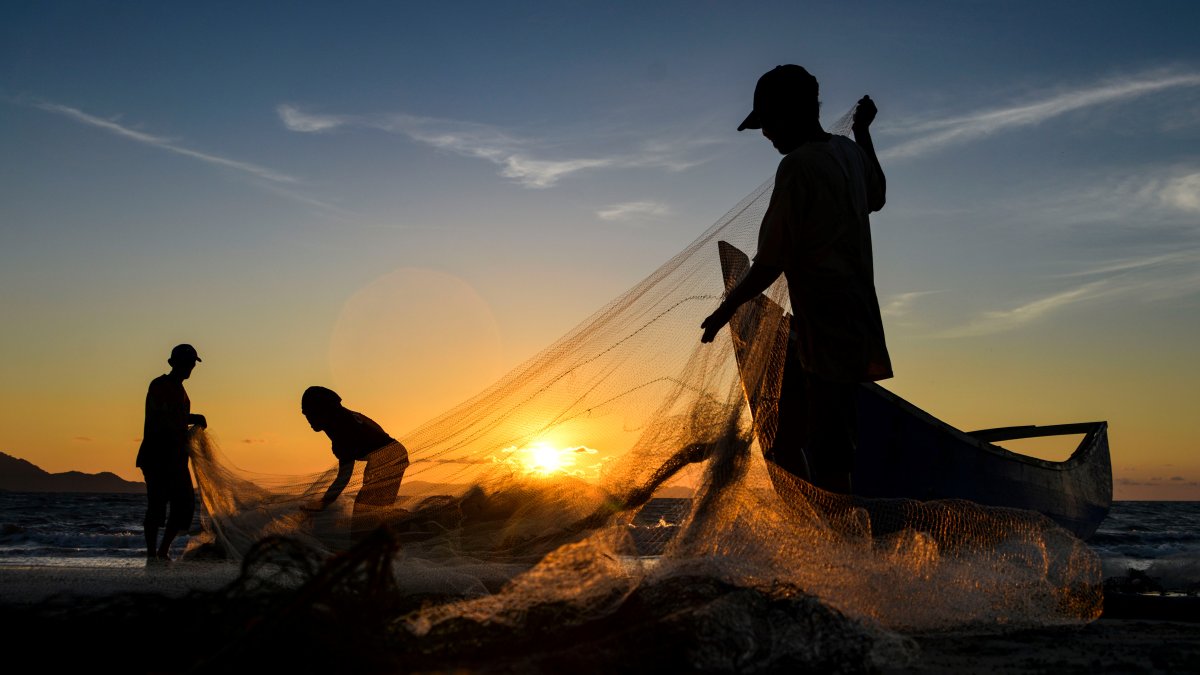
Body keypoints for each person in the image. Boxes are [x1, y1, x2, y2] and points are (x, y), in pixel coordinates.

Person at [701, 65, 892, 494]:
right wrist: (863, 132)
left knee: (828, 443)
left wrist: (726, 309)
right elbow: (877, 195)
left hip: (825, 323)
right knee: (828, 431)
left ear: (792, 114)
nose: (766, 134)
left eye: (768, 122)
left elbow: (770, 262)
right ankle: (833, 527)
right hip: (858, 320)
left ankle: (838, 538)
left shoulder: (798, 167)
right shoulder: (847, 152)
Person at [300, 386, 410, 539]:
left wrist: (323, 504)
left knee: (363, 514)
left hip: (390, 458)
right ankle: (406, 528)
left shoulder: (341, 429)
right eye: (306, 414)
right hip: (393, 454)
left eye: (311, 413)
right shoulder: (347, 417)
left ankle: (398, 534)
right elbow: (379, 432)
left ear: (324, 410)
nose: (308, 419)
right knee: (372, 511)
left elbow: (344, 477)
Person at [136, 343, 207, 562]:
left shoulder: (182, 392)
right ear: (173, 363)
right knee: (157, 505)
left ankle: (163, 550)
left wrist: (193, 420)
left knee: (184, 505)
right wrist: (192, 419)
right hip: (157, 456)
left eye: (192, 363)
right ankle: (151, 554)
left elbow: (176, 418)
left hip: (176, 458)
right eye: (187, 363)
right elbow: (165, 416)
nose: (190, 367)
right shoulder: (159, 385)